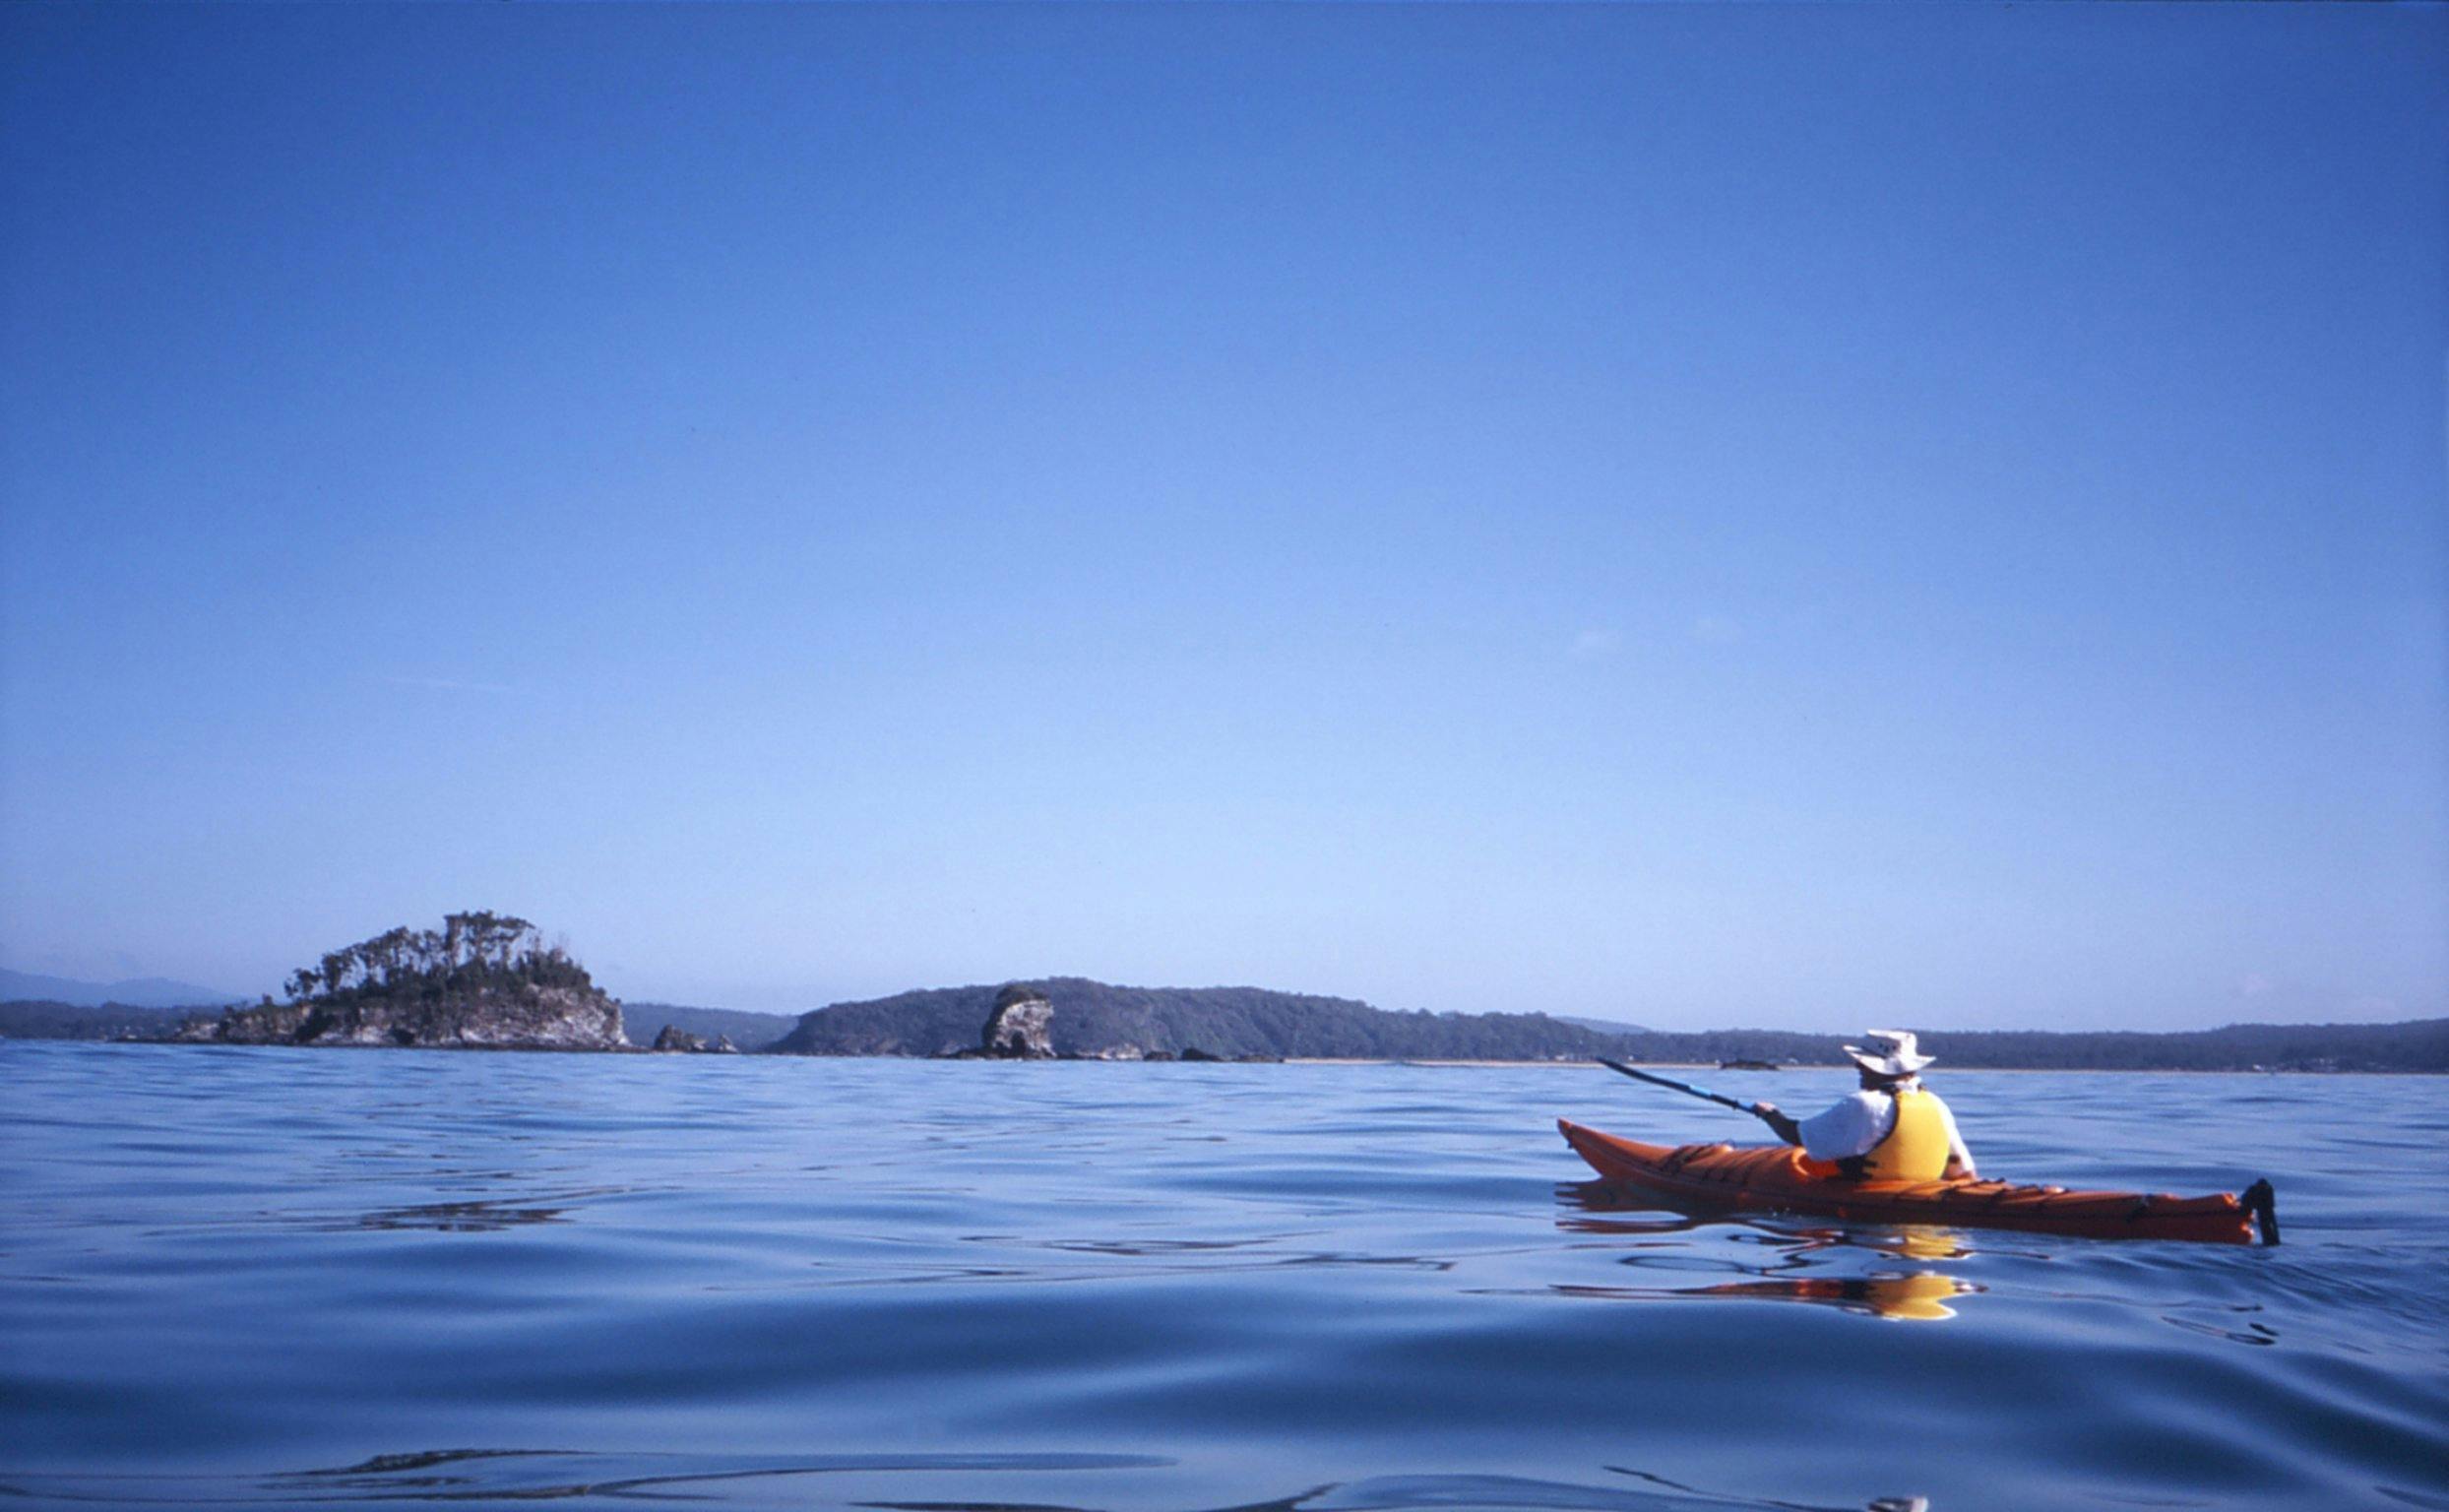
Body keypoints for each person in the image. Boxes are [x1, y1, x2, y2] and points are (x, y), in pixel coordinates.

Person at [1749, 1030, 1977, 1181]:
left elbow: (1797, 1135)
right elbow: (1964, 1172)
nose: (1858, 1067)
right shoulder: (1936, 1104)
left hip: (1872, 1217)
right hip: (1923, 1200)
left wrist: (1770, 1115)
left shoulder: (1865, 1103)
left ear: (1879, 1068)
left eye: (1863, 1063)